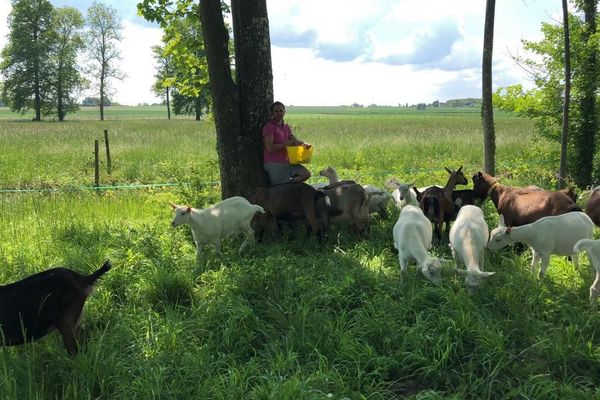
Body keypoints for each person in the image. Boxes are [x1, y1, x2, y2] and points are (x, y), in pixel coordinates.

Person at [262, 101, 311, 185]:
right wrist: (284, 144)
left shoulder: (286, 127)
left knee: (306, 174)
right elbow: (269, 147)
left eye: (281, 111)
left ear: (284, 112)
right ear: (272, 113)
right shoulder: (269, 127)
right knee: (280, 188)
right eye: (276, 111)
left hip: (288, 162)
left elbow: (294, 141)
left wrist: (303, 144)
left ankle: (289, 185)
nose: (279, 113)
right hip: (274, 163)